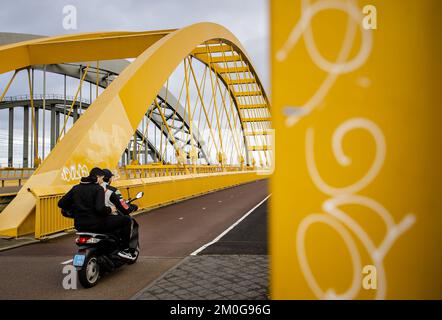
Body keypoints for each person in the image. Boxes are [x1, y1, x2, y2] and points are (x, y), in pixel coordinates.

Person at [58, 167, 136, 261]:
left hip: (79, 224)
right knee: (126, 220)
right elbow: (100, 209)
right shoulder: (97, 189)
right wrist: (110, 209)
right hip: (97, 224)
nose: (102, 181)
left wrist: (76, 211)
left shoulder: (76, 188)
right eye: (102, 179)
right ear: (97, 177)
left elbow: (61, 203)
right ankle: (125, 250)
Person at [101, 169, 139, 255]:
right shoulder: (112, 190)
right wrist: (132, 207)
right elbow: (124, 207)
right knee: (126, 220)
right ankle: (125, 249)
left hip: (94, 219)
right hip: (109, 219)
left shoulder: (93, 189)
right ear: (109, 179)